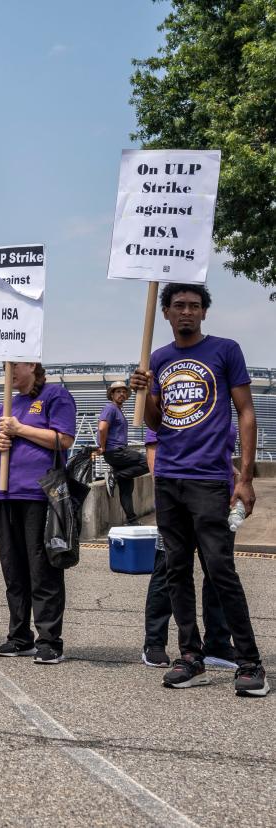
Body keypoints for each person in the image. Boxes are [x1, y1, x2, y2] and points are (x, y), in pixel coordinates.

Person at [130, 282, 266, 697]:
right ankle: (190, 656)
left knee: (220, 568)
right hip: (169, 477)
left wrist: (244, 477)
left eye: (194, 306)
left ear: (204, 313)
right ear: (166, 313)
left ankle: (249, 662)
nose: (186, 312)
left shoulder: (225, 350)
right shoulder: (158, 359)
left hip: (210, 478)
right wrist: (143, 391)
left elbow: (245, 411)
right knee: (176, 571)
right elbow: (156, 422)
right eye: (178, 306)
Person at [0, 361, 77, 665]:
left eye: (14, 365)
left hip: (39, 494)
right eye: (4, 365)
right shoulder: (4, 406)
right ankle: (19, 636)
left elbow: (64, 439)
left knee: (42, 568)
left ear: (32, 366)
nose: (8, 370)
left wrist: (20, 429)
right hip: (5, 495)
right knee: (13, 569)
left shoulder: (55, 396)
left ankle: (50, 640)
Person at [140, 426, 237, 670]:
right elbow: (153, 450)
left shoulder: (219, 403)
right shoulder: (174, 397)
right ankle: (155, 642)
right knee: (169, 570)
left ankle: (217, 643)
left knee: (218, 571)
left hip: (216, 499)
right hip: (176, 500)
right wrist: (165, 498)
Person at [95, 381, 144, 525]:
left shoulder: (118, 410)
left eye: (124, 392)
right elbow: (102, 428)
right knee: (147, 462)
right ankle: (114, 476)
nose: (122, 394)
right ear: (111, 394)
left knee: (126, 489)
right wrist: (103, 447)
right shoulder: (110, 408)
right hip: (115, 451)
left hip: (117, 452)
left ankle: (132, 520)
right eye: (118, 391)